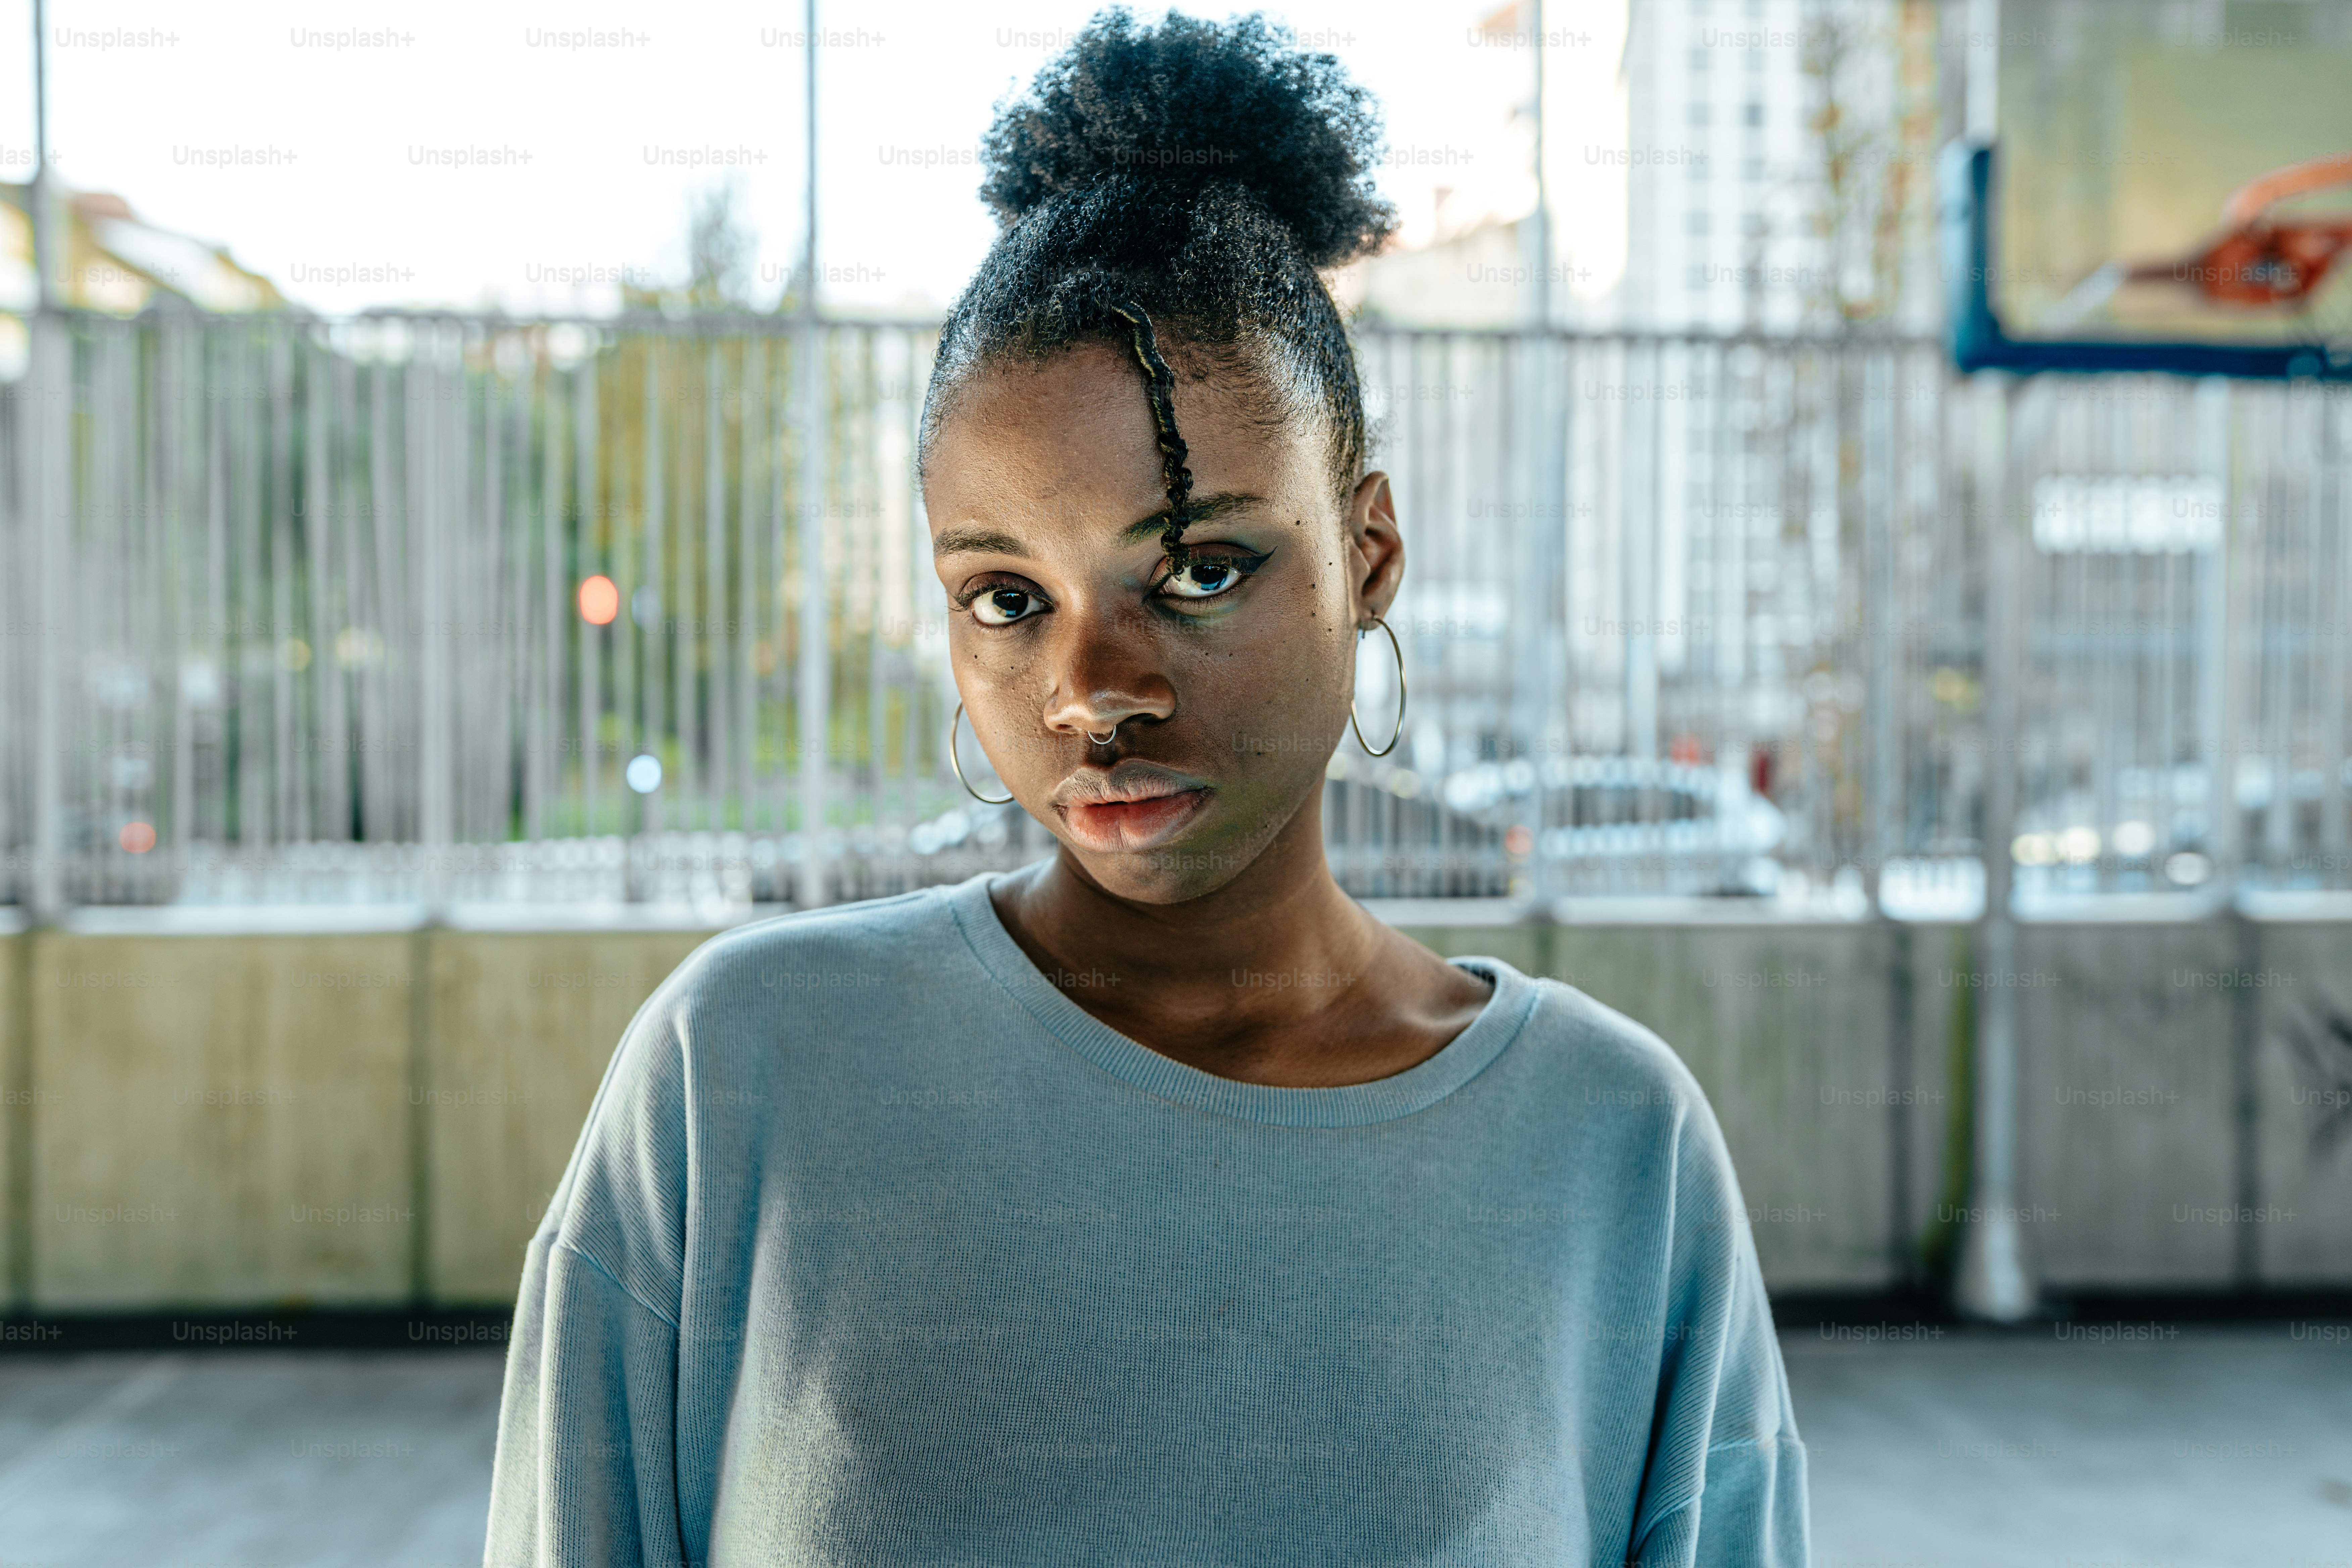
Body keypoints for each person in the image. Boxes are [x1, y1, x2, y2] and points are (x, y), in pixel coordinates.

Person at [485, 11, 1808, 1565]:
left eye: (1198, 567)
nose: (1092, 687)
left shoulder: (1611, 1153)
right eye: (1005, 595)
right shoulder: (736, 1086)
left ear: (1367, 552)